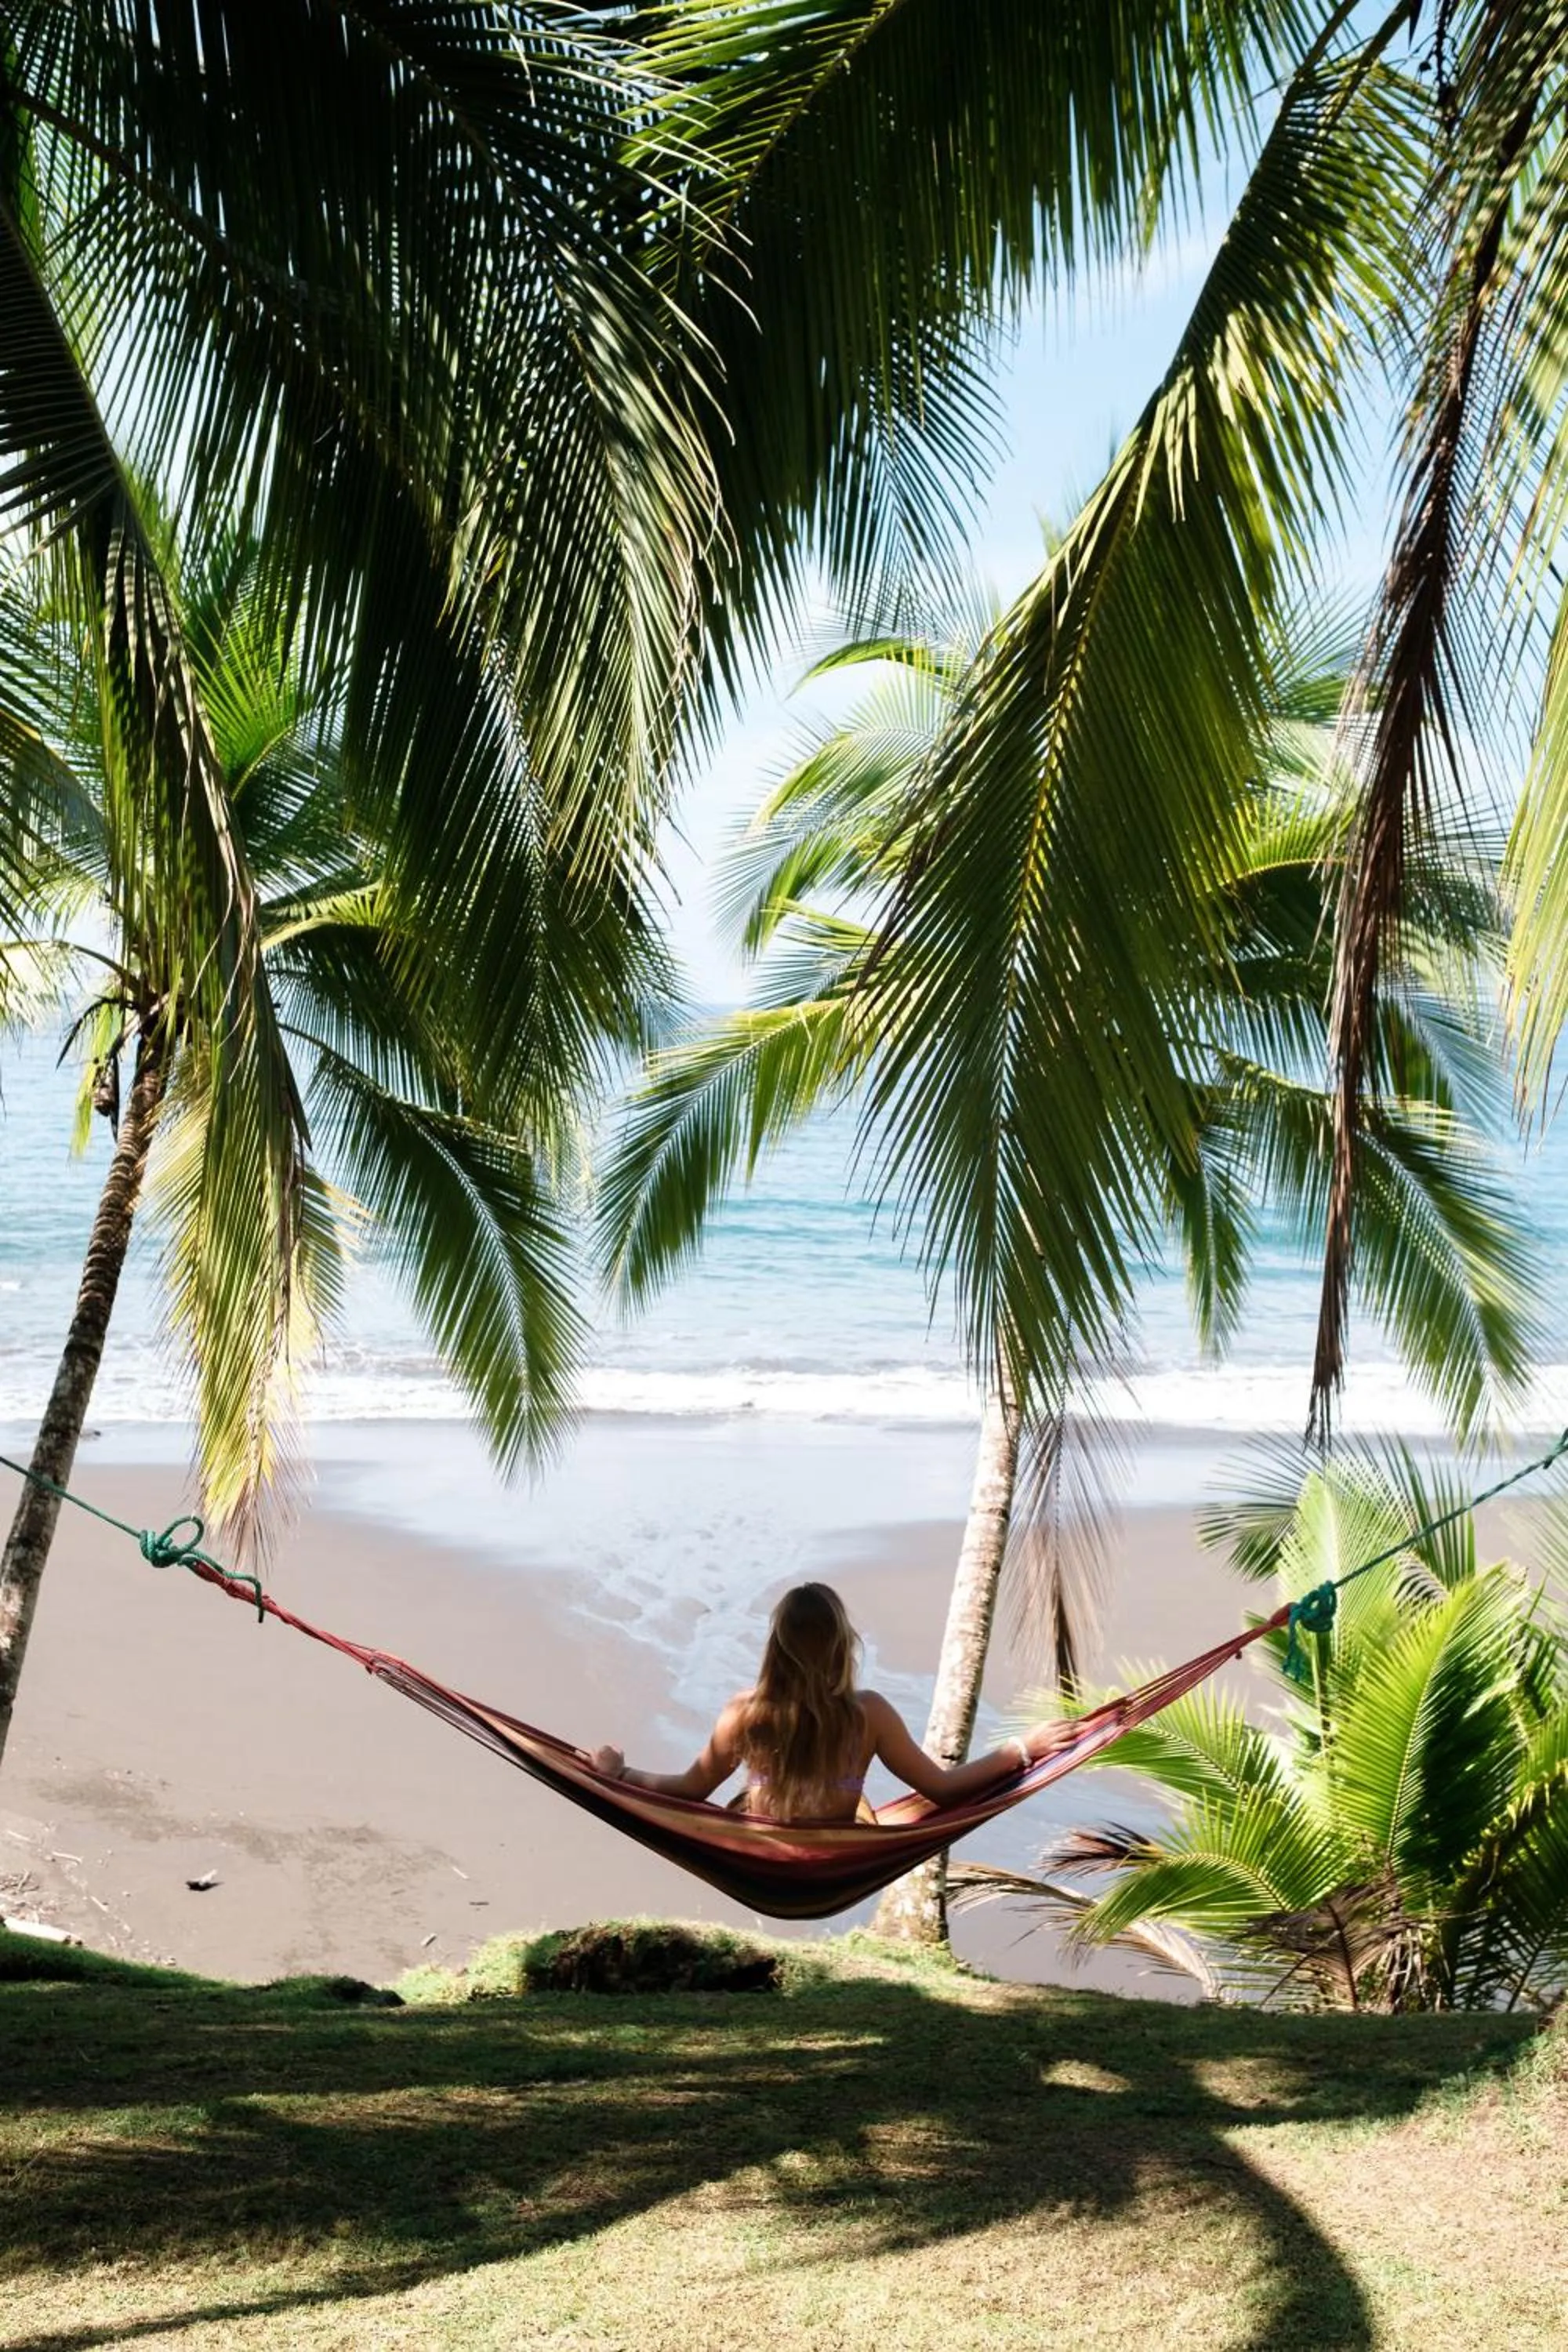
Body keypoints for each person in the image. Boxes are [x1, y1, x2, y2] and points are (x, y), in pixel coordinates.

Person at [590, 1581, 1049, 1824]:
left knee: (745, 1800)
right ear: (842, 1647)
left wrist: (622, 1774)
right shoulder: (869, 1714)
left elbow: (691, 1790)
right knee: (864, 1811)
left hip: (759, 1851)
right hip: (835, 1855)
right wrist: (1022, 1749)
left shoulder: (745, 1713)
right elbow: (944, 1790)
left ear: (776, 1647)